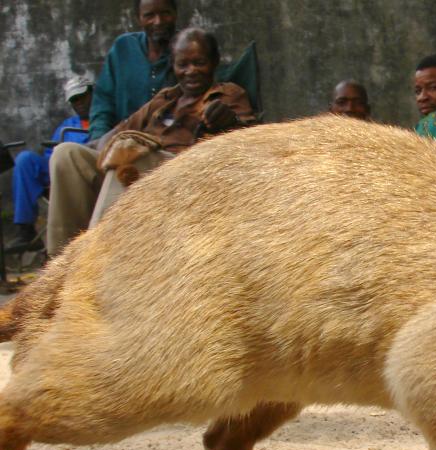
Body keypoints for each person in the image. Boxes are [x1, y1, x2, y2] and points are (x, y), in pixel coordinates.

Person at [46, 27, 256, 258]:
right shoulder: (165, 99)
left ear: (215, 62)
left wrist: (229, 121)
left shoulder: (227, 95)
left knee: (128, 156)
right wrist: (91, 148)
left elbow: (248, 139)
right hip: (135, 163)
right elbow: (116, 133)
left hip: (180, 173)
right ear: (173, 67)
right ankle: (61, 259)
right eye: (183, 65)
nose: (191, 71)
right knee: (66, 154)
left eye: (199, 62)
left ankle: (95, 261)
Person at [5, 76, 95, 254]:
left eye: (82, 97)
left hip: (88, 173)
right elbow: (50, 157)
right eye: (74, 100)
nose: (79, 103)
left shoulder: (107, 119)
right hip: (59, 172)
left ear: (93, 94)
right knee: (25, 159)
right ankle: (25, 229)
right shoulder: (67, 126)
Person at [88, 0, 178, 140]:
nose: (158, 21)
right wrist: (99, 140)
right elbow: (103, 103)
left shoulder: (188, 50)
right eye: (149, 15)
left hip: (168, 146)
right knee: (65, 152)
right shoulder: (123, 48)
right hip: (120, 144)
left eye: (165, 13)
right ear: (139, 19)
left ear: (175, 14)